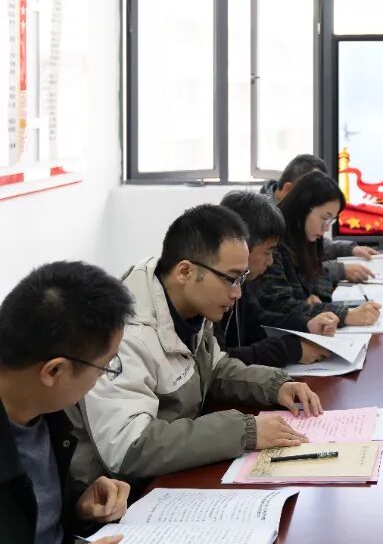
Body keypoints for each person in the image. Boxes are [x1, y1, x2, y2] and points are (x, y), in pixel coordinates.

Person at [68, 204, 323, 488]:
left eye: (241, 279)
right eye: (231, 279)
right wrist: (243, 431)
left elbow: (214, 368)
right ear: (185, 271)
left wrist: (275, 385)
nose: (238, 293)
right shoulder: (127, 335)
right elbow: (129, 448)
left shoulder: (186, 303)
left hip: (169, 474)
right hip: (120, 494)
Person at [0, 262, 134, 544]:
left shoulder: (46, 413)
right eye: (105, 367)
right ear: (54, 371)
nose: (103, 377)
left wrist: (77, 504)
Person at [217, 191, 334, 367]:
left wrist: (307, 324)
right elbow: (219, 362)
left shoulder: (241, 283)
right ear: (242, 246)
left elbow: (259, 320)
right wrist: (291, 350)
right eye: (268, 251)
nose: (271, 261)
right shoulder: (211, 293)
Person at [253, 171, 382, 328]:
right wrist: (346, 316)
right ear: (303, 208)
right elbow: (279, 305)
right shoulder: (274, 241)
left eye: (331, 221)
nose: (326, 228)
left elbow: (318, 277)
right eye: (325, 218)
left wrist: (313, 297)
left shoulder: (306, 238)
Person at [261, 154, 379, 283]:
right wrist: (339, 270)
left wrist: (349, 249)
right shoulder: (264, 222)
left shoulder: (297, 223)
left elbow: (312, 246)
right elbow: (295, 272)